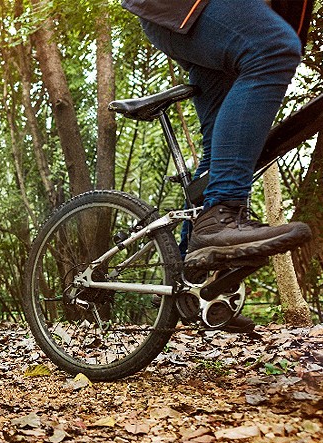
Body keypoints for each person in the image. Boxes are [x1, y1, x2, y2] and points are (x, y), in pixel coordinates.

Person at [121, 0, 313, 270]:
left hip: (208, 14)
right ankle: (220, 214)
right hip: (187, 8)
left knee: (218, 157)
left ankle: (189, 283)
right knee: (273, 49)